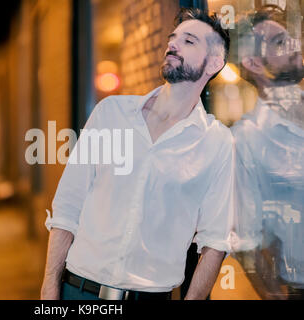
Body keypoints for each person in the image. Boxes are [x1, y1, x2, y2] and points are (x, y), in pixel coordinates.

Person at [41, 8, 233, 300]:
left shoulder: (217, 142)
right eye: (173, 38)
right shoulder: (111, 113)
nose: (173, 44)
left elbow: (215, 242)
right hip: (78, 291)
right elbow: (68, 207)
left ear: (214, 63)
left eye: (189, 41)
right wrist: (49, 289)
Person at [230, 4, 304, 300]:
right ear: (254, 64)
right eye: (278, 43)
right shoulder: (245, 140)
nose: (294, 45)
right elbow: (246, 244)